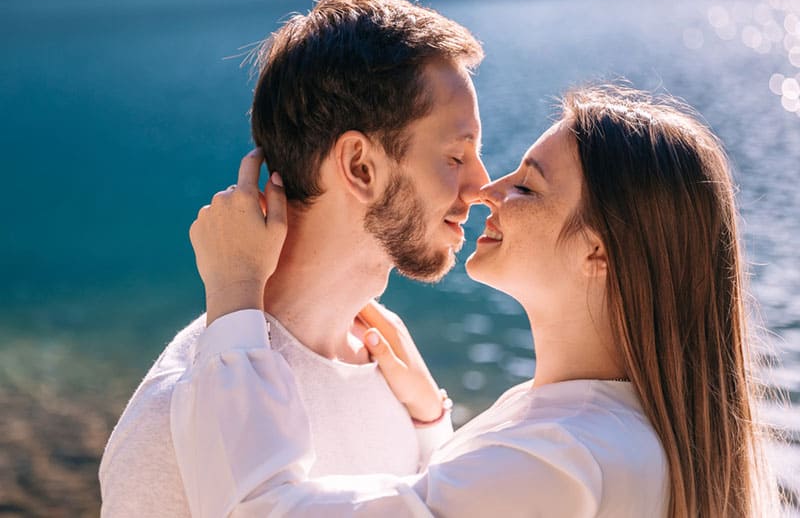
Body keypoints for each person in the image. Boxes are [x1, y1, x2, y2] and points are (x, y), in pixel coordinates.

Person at [173, 85, 779, 517]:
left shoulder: (563, 456)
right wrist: (431, 426)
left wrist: (235, 293)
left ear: (598, 252)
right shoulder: (617, 431)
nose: (487, 190)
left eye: (527, 186)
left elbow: (259, 510)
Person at [98, 0, 489, 517]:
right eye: (456, 156)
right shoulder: (173, 415)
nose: (482, 187)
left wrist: (431, 427)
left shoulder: (393, 371)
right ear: (360, 167)